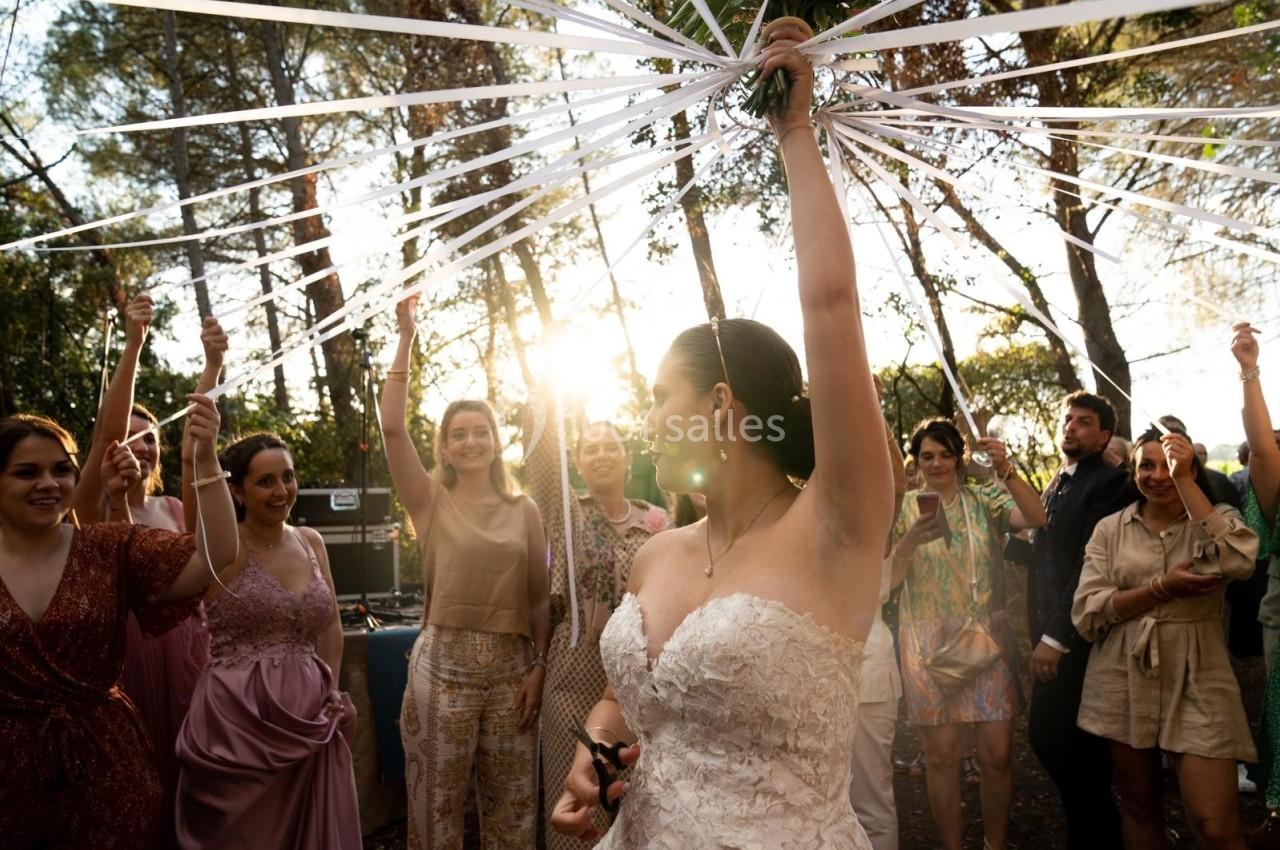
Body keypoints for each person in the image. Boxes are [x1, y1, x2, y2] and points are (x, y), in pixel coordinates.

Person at [549, 25, 895, 847]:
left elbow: (832, 308)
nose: (646, 420)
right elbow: (630, 701)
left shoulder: (837, 525)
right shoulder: (658, 553)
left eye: (659, 396)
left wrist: (794, 132)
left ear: (721, 403)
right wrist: (592, 754)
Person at [0, 398, 236, 850]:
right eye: (27, 472)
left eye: (61, 470)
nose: (48, 484)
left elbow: (214, 557)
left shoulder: (107, 547)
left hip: (107, 768)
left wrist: (205, 458)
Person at [383, 295, 550, 850]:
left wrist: (539, 667)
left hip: (512, 675)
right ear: (446, 449)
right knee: (437, 808)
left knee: (515, 812)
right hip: (444, 669)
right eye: (460, 434)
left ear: (496, 441)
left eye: (482, 431)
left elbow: (536, 601)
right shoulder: (430, 502)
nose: (472, 440)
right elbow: (390, 428)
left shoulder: (524, 509)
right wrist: (405, 336)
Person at [71, 295, 222, 850]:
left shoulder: (177, 512)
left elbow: (196, 451)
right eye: (129, 438)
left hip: (185, 653)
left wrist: (212, 369)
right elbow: (104, 433)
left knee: (190, 775)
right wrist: (133, 344)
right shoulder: (89, 510)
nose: (139, 447)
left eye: (149, 439)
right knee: (136, 779)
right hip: (125, 655)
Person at [1073, 429, 1256, 850]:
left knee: (1214, 823)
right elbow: (1087, 612)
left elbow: (1241, 561)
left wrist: (1186, 479)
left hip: (1200, 670)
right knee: (1139, 804)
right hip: (1122, 670)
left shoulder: (1216, 516)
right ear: (1133, 472)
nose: (1158, 476)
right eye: (1147, 466)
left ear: (1192, 466)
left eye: (1169, 465)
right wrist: (1160, 589)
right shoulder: (1110, 529)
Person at [174, 431, 359, 849]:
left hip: (311, 712)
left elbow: (329, 623)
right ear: (236, 490)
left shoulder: (311, 541)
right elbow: (195, 490)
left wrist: (330, 685)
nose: (282, 491)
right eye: (266, 481)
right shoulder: (222, 549)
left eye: (288, 477)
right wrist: (202, 443)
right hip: (240, 720)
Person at [889, 419, 1046, 850]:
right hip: (926, 640)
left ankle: (994, 844)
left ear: (959, 458)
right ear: (916, 461)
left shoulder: (984, 496)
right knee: (941, 758)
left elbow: (1036, 517)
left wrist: (1007, 470)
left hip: (984, 637)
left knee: (996, 755)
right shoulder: (901, 507)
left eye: (944, 454)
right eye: (927, 456)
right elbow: (885, 580)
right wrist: (908, 543)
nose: (936, 463)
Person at [523, 403, 669, 850]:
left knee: (633, 799)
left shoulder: (658, 522)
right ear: (579, 462)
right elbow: (542, 459)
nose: (601, 454)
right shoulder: (567, 511)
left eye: (611, 447)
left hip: (634, 681)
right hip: (572, 676)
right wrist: (541, 391)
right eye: (590, 448)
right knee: (578, 801)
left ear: (628, 458)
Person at [1027, 391, 1131, 850]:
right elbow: (1045, 551)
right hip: (1048, 628)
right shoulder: (1060, 481)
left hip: (1079, 637)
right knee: (1060, 744)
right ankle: (1090, 836)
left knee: (1065, 744)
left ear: (1104, 435)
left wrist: (1057, 636)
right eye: (1067, 419)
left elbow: (1090, 563)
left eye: (1083, 422)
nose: (1070, 426)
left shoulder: (1109, 483)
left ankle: (1101, 837)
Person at [848, 394, 908, 850]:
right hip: (813, 678)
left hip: (866, 674)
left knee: (871, 801)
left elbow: (898, 484)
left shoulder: (873, 520)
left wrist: (870, 407)